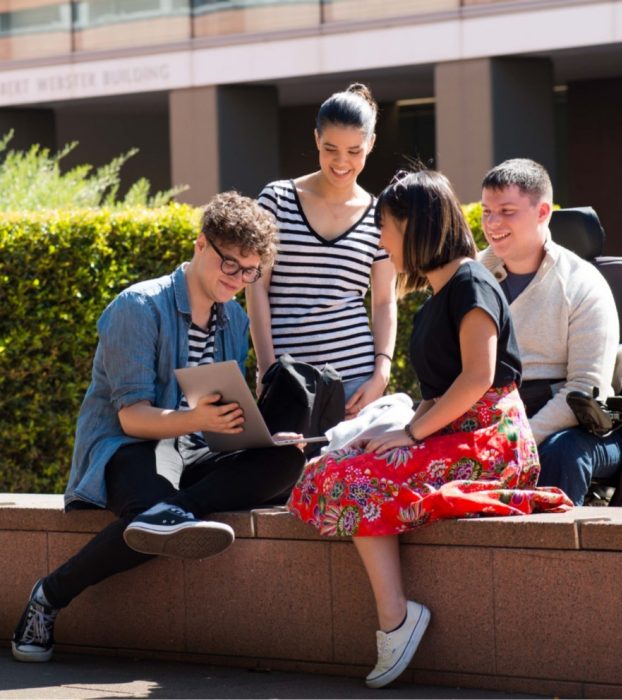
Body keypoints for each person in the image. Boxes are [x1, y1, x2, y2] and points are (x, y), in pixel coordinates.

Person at [287, 169, 572, 689]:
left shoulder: (471, 283)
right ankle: (397, 615)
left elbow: (479, 379)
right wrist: (399, 431)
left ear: (415, 226)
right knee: (327, 468)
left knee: (354, 481)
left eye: (387, 228)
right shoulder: (443, 291)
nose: (381, 240)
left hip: (489, 442)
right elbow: (440, 393)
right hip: (451, 431)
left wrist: (411, 437)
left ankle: (396, 619)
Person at [11, 190, 305, 663]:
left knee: (285, 459)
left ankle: (170, 515)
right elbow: (131, 417)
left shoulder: (234, 319)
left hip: (191, 453)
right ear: (201, 245)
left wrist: (257, 437)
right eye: (231, 266)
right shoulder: (138, 308)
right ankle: (49, 595)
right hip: (127, 448)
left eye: (251, 272)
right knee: (151, 487)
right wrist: (198, 421)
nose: (239, 280)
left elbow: (218, 414)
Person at [479, 158, 622, 505]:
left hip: (571, 423)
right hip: (490, 411)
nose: (492, 223)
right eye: (487, 211)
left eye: (506, 211)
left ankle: (546, 559)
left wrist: (517, 439)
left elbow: (583, 391)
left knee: (561, 454)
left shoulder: (583, 284)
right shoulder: (472, 275)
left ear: (542, 211)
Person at [247, 82, 397, 418]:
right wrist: (267, 366)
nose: (341, 162)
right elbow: (256, 285)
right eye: (330, 149)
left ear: (371, 144)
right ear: (316, 139)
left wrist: (380, 374)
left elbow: (385, 301)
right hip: (287, 378)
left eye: (354, 151)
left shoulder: (380, 216)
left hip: (355, 382)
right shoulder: (276, 199)